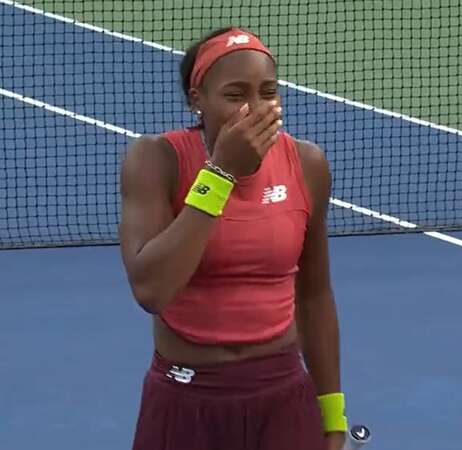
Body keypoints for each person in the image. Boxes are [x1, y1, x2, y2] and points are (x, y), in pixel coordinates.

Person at [119, 27, 346, 450]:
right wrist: (220, 174)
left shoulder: (309, 165)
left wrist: (332, 411)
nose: (255, 109)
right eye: (236, 94)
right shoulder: (155, 160)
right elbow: (151, 289)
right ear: (196, 100)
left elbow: (314, 296)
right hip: (185, 399)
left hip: (282, 397)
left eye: (268, 92)